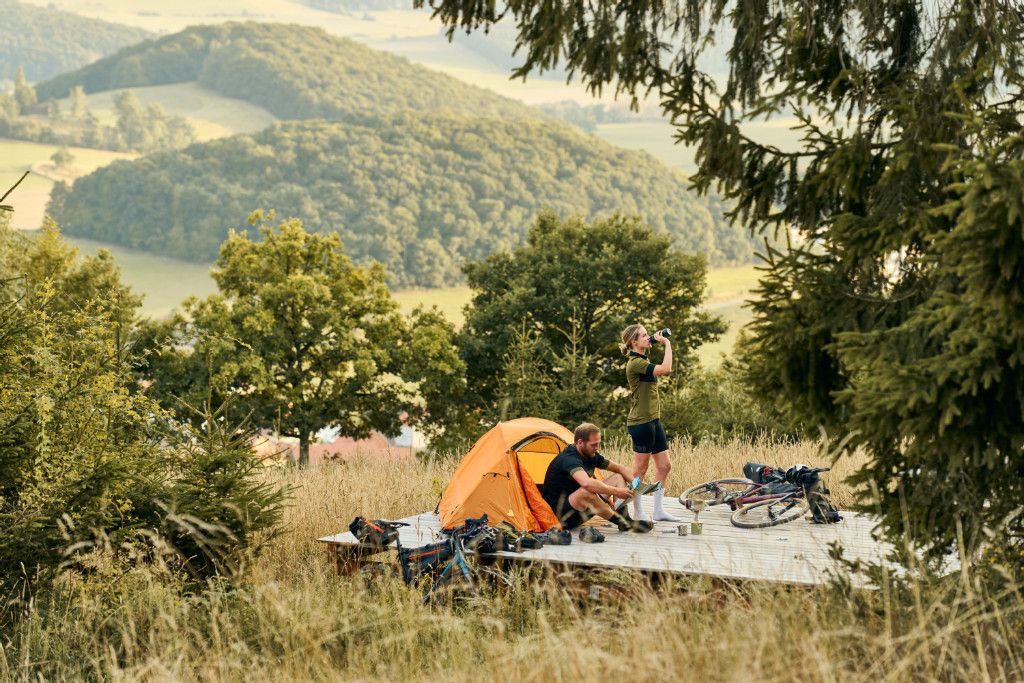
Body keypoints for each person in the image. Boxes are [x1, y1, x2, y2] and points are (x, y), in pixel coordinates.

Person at [541, 422, 653, 540]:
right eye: (593, 445)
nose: (597, 448)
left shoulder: (591, 454)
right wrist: (617, 491)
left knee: (618, 477)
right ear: (580, 442)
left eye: (598, 444)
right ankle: (623, 523)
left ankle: (626, 519)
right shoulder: (569, 459)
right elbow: (586, 483)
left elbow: (619, 468)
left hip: (581, 510)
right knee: (586, 491)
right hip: (562, 516)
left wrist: (639, 486)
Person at [620, 324, 681, 522]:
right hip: (640, 423)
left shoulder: (643, 360)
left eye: (648, 335)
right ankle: (637, 511)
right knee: (640, 470)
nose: (648, 338)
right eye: (644, 336)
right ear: (633, 342)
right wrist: (667, 343)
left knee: (664, 466)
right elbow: (667, 369)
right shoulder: (635, 363)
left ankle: (658, 510)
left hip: (653, 421)